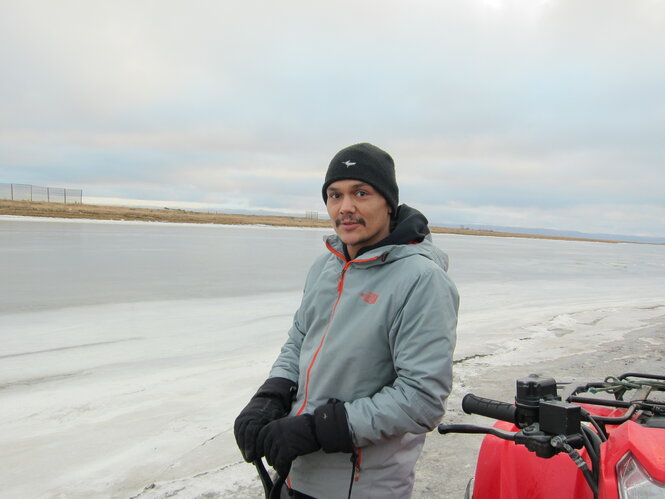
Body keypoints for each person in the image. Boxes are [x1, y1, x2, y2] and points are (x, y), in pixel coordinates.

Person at [234, 142, 459, 498]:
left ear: (388, 202)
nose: (346, 208)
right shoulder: (326, 266)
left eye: (361, 193)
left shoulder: (421, 280)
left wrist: (316, 429)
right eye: (334, 195)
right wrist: (271, 395)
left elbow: (422, 398)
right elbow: (300, 339)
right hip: (297, 475)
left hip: (361, 486)